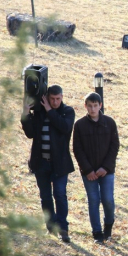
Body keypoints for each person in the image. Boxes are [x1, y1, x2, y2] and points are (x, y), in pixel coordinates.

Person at [21, 85, 75, 242]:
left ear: (62, 97)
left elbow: (65, 127)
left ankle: (63, 228)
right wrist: (26, 113)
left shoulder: (67, 112)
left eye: (58, 99)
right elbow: (30, 133)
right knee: (45, 197)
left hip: (60, 164)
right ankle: (50, 228)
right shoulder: (39, 113)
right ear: (47, 98)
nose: (56, 102)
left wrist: (50, 111)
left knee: (60, 194)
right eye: (52, 99)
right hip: (41, 163)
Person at [72, 93, 119, 244]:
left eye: (95, 105)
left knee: (108, 200)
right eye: (89, 106)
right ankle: (96, 232)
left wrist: (105, 167)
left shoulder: (109, 123)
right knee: (93, 200)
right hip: (89, 172)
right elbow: (77, 149)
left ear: (100, 105)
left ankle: (108, 226)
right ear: (85, 106)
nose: (93, 109)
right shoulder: (79, 125)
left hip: (107, 170)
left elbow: (114, 146)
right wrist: (88, 170)